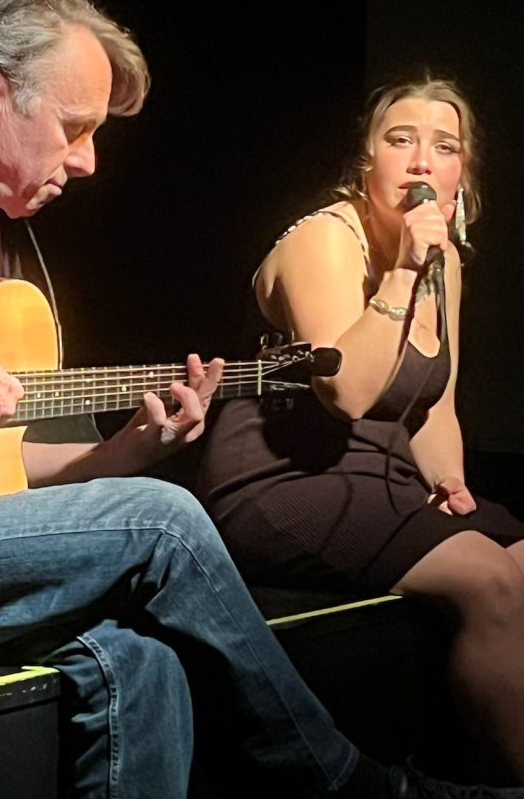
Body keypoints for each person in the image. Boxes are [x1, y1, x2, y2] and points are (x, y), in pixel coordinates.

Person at [0, 0, 516, 799]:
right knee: (165, 519)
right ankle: (348, 783)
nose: (87, 160)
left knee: (142, 661)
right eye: (74, 128)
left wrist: (123, 453)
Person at [195, 77, 524, 786]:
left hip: (380, 475)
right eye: (401, 140)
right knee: (489, 579)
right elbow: (345, 391)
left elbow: (435, 406)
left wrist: (448, 482)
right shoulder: (324, 239)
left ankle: (460, 764)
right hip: (283, 478)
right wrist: (402, 272)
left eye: (445, 147)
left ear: (461, 177)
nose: (421, 161)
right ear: (366, 163)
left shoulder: (446, 263)